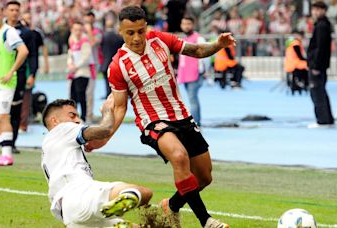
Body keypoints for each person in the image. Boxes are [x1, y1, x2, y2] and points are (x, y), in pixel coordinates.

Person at [86, 6, 234, 228]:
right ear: (120, 31)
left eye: (140, 31)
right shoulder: (118, 65)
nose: (137, 38)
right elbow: (119, 107)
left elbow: (195, 51)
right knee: (179, 156)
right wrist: (104, 136)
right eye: (130, 33)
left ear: (146, 27)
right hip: (153, 121)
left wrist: (218, 45)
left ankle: (172, 205)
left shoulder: (160, 40)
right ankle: (207, 221)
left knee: (204, 178)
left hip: (181, 115)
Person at [41, 98, 152, 228]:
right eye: (72, 115)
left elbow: (99, 139)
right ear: (54, 121)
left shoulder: (52, 147)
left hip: (69, 214)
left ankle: (120, 212)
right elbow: (105, 129)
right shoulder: (63, 129)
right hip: (79, 193)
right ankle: (126, 198)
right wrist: (107, 111)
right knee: (144, 193)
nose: (77, 120)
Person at [0, 2, 28, 166]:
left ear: (3, 15)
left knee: (3, 116)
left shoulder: (9, 32)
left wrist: (11, 71)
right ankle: (3, 153)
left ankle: (8, 155)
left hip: (5, 83)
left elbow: (23, 51)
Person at [4, 0, 37, 153]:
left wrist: (32, 74)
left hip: (19, 75)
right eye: (11, 10)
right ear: (6, 11)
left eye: (17, 10)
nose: (14, 12)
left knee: (15, 109)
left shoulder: (27, 33)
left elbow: (33, 56)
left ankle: (12, 141)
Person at [19, 11, 50, 133]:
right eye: (24, 18)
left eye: (28, 18)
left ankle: (25, 120)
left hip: (31, 66)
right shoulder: (18, 32)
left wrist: (46, 64)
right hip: (19, 65)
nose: (26, 21)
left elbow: (43, 48)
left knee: (27, 91)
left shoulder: (36, 33)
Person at [177, 16, 210, 126]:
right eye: (184, 24)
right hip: (185, 74)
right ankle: (197, 121)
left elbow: (206, 56)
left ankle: (195, 123)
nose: (186, 26)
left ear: (193, 25)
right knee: (192, 98)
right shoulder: (183, 39)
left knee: (192, 99)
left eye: (188, 24)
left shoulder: (199, 39)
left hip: (195, 74)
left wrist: (205, 70)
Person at [307, 1, 335, 128]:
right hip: (319, 64)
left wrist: (316, 65)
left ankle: (323, 120)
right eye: (314, 10)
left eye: (318, 10)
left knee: (317, 93)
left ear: (323, 11)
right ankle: (328, 119)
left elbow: (321, 48)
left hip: (317, 65)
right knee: (321, 92)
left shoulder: (321, 26)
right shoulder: (322, 24)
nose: (315, 12)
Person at [67, 21, 93, 122]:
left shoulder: (85, 41)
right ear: (72, 30)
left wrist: (76, 66)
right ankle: (73, 117)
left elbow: (86, 57)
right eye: (75, 30)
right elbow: (70, 54)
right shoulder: (72, 40)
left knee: (81, 95)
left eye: (79, 30)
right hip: (74, 73)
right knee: (72, 96)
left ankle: (84, 117)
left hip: (83, 72)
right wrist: (70, 64)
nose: (77, 32)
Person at [100, 13, 124, 99]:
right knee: (118, 81)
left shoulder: (103, 36)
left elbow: (101, 48)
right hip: (116, 62)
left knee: (107, 81)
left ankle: (108, 94)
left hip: (105, 62)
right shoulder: (118, 37)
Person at [284, 30, 309, 95]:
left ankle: (301, 84)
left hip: (290, 63)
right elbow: (299, 55)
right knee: (307, 66)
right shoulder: (296, 43)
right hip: (294, 64)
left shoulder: (290, 42)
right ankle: (305, 84)